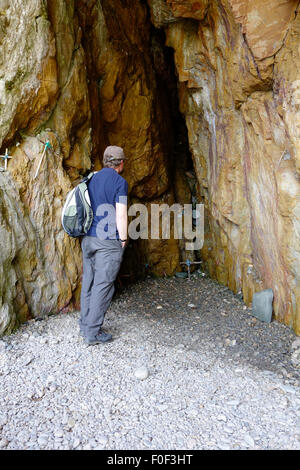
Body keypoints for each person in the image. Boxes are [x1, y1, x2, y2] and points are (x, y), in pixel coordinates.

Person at [79, 146, 128, 345]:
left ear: (105, 161)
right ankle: (92, 332)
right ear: (121, 163)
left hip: (88, 239)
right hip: (107, 241)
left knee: (89, 282)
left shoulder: (91, 178)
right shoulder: (120, 182)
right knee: (103, 286)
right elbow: (121, 213)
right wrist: (123, 238)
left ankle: (85, 324)